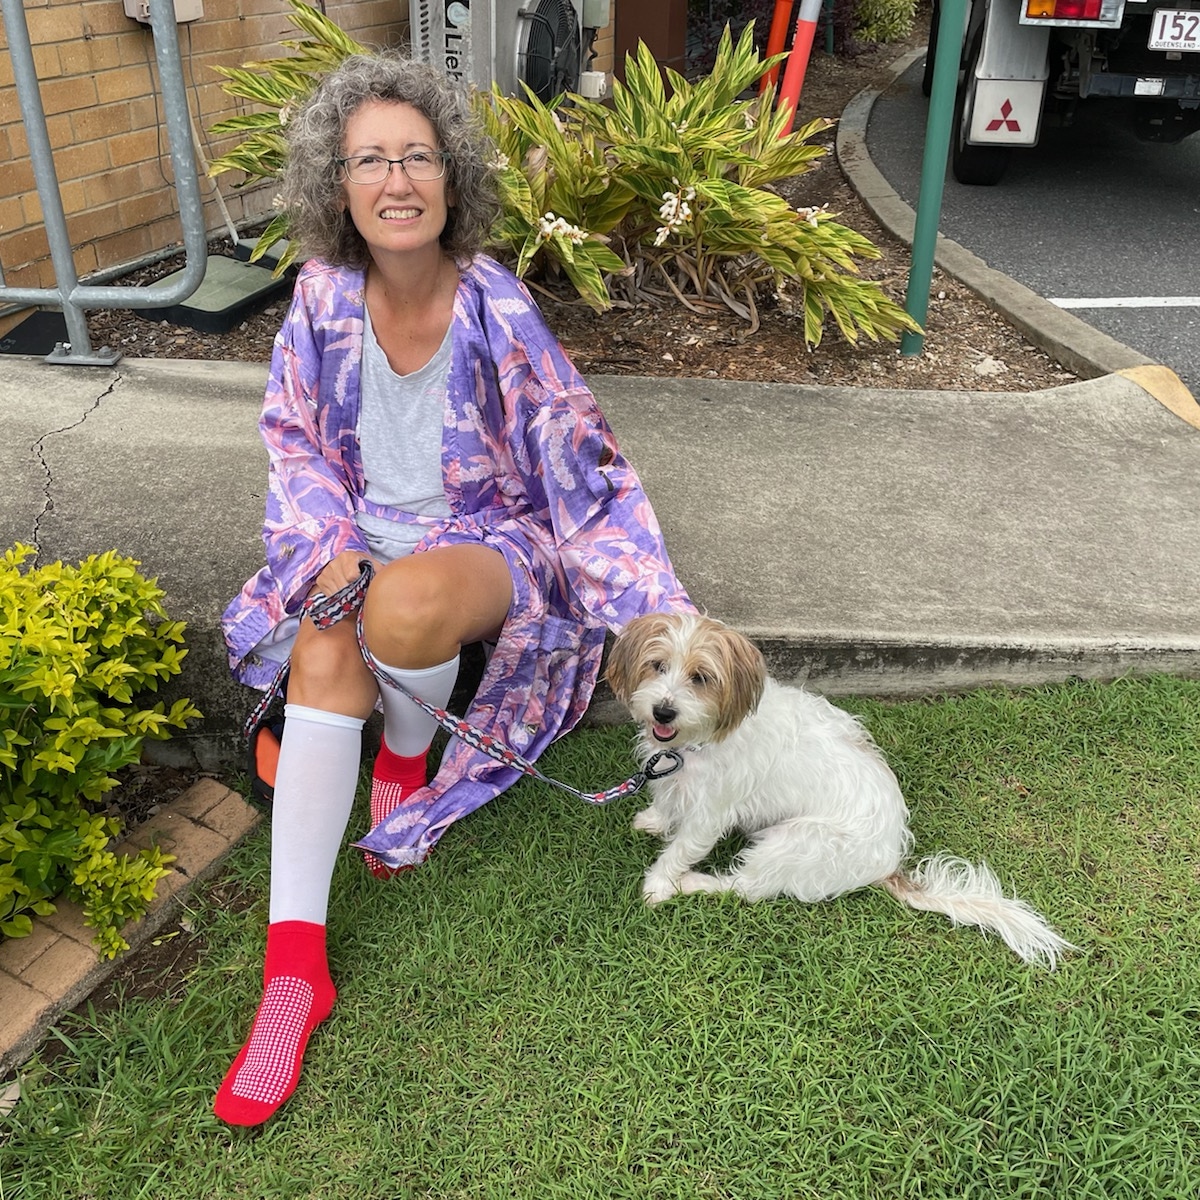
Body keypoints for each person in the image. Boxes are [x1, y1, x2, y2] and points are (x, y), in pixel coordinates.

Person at [213, 50, 693, 1126]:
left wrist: (656, 613)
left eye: (417, 156)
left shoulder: (496, 305)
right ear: (337, 186)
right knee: (330, 641)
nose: (396, 180)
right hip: (354, 543)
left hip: (484, 544)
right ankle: (295, 971)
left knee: (399, 607)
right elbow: (293, 446)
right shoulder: (322, 295)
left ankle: (403, 753)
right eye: (369, 160)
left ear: (451, 178)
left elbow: (583, 465)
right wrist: (327, 545)